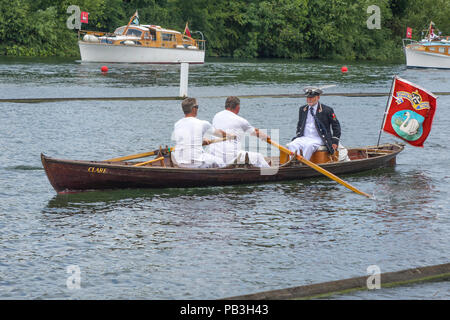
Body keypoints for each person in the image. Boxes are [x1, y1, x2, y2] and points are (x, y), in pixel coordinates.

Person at [209, 96, 271, 168]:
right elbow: (256, 133)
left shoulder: (216, 116)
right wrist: (267, 137)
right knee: (259, 157)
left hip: (214, 156)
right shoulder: (241, 121)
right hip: (231, 157)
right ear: (238, 107)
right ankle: (269, 171)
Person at [172, 97, 228, 168]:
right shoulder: (203, 123)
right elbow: (220, 134)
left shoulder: (177, 124)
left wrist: (202, 140)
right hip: (197, 163)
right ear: (194, 109)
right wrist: (230, 136)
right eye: (197, 107)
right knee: (221, 161)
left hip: (180, 162)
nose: (197, 109)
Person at [287, 86, 341, 160]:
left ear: (318, 97)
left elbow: (336, 126)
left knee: (309, 146)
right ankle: (294, 162)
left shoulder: (327, 110)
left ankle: (303, 163)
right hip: (304, 137)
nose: (309, 99)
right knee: (292, 144)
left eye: (312, 97)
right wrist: (298, 134)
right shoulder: (302, 109)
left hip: (319, 138)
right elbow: (299, 124)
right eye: (308, 97)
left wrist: (335, 141)